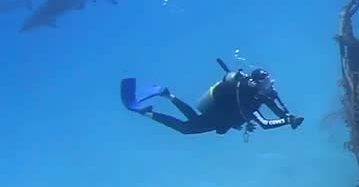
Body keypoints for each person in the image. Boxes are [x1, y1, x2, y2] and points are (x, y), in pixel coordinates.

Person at [121, 67, 304, 136]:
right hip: (221, 116)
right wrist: (287, 121)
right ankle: (147, 112)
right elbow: (264, 123)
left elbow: (276, 108)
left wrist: (288, 117)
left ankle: (168, 95)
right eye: (267, 83)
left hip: (222, 113)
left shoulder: (263, 93)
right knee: (185, 129)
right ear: (258, 84)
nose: (271, 85)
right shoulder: (248, 96)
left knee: (194, 120)